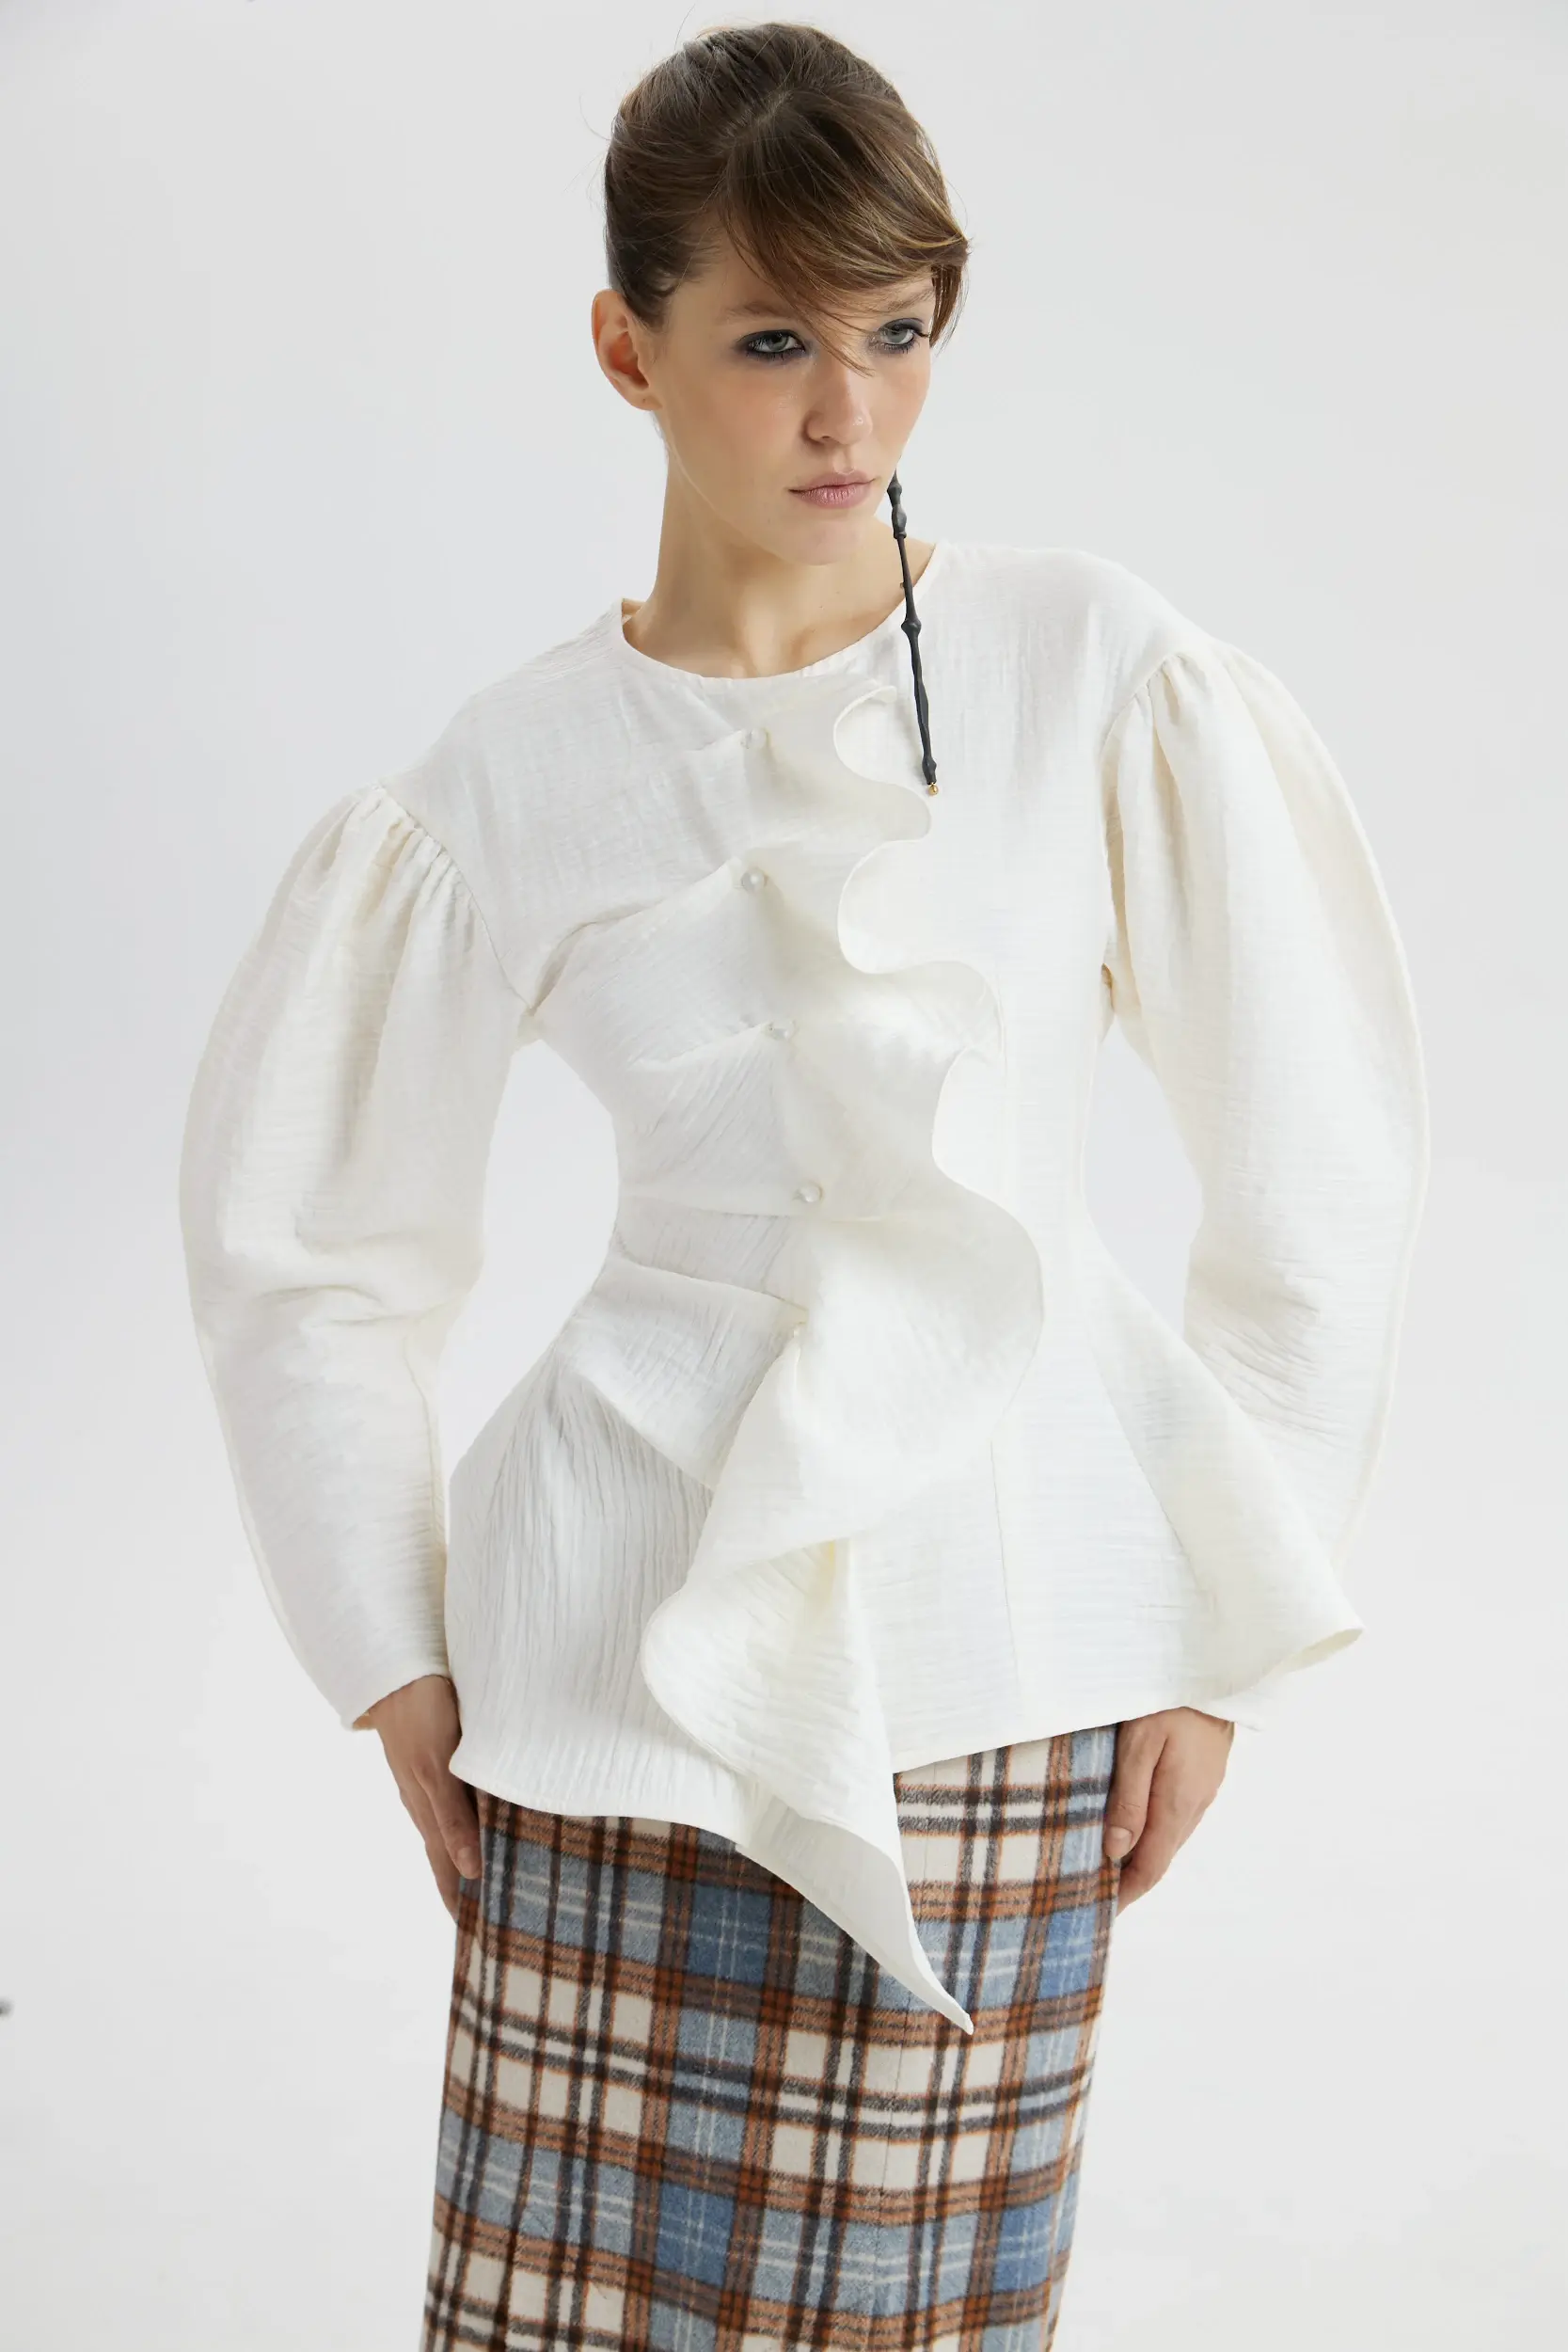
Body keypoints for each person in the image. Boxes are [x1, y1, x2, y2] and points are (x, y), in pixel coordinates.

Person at [177, 21, 1430, 2348]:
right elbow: (306, 1247)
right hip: (608, 1676)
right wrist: (390, 1646)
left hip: (1010, 1659)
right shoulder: (506, 776)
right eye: (772, 342)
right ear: (623, 348)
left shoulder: (1090, 668)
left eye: (897, 332)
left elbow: (1315, 1164)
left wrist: (1219, 1628)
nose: (849, 411)